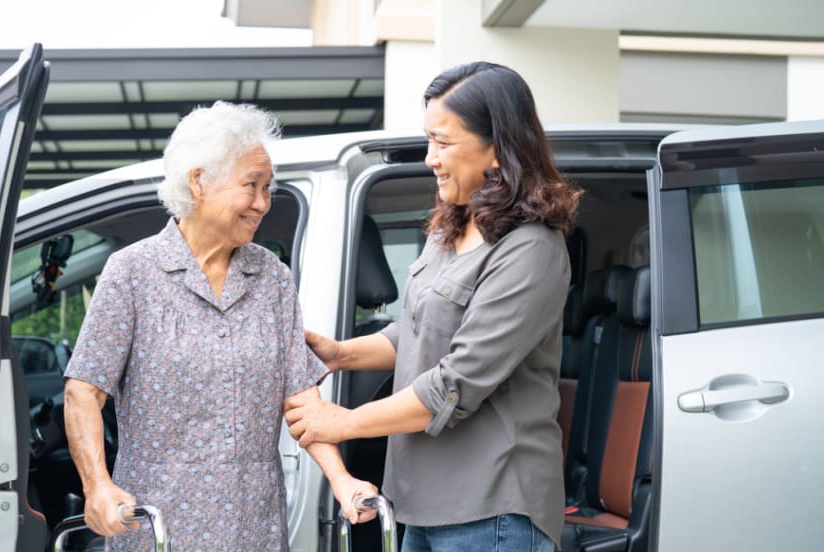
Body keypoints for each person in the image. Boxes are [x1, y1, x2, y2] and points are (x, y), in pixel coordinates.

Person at [285, 62, 581, 551]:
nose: (430, 158)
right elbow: (417, 331)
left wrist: (344, 421)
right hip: (423, 504)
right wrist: (339, 353)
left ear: (497, 148)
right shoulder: (452, 229)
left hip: (492, 508)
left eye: (443, 143)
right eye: (429, 142)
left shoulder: (531, 250)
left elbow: (456, 382)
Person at [63, 100, 377, 551]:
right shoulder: (132, 272)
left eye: (268, 188)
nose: (263, 204)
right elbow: (84, 391)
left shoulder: (271, 277)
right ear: (198, 181)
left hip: (254, 530)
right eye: (251, 186)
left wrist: (342, 480)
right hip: (160, 532)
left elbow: (302, 400)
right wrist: (96, 486)